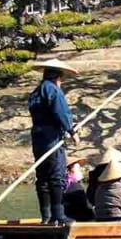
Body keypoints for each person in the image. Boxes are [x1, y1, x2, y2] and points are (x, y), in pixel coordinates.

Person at [28, 58, 77, 224]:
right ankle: (58, 215)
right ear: (58, 77)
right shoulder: (53, 90)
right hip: (51, 138)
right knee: (56, 176)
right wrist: (71, 130)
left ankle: (46, 216)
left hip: (38, 138)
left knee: (42, 177)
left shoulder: (36, 92)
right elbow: (61, 112)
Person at [62, 156, 94, 221]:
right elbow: (86, 207)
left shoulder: (60, 185)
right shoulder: (75, 187)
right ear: (72, 170)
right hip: (77, 220)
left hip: (66, 217)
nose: (81, 172)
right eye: (78, 169)